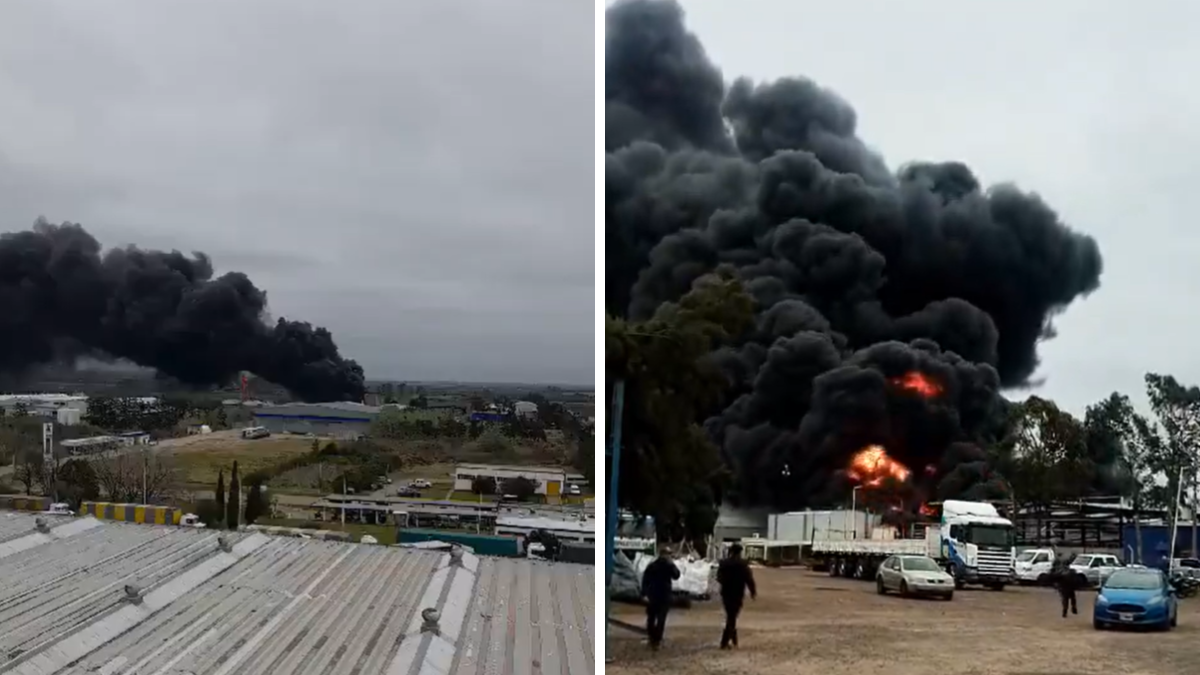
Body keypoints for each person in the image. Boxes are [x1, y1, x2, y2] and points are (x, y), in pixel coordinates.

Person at [716, 543, 757, 649]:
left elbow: (719, 578)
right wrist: (753, 592)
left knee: (731, 615)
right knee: (732, 616)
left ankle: (733, 640)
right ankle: (725, 642)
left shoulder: (724, 563)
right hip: (738, 593)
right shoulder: (743, 564)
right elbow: (749, 579)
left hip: (726, 592)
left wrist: (726, 582)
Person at [641, 545, 681, 650]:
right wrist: (672, 564)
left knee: (651, 618)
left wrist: (644, 593)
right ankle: (657, 640)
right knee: (660, 619)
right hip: (664, 595)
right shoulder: (669, 565)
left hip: (653, 595)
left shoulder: (652, 565)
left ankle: (652, 638)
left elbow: (645, 580)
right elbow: (677, 575)